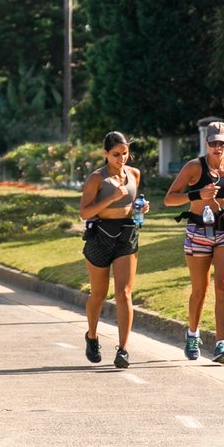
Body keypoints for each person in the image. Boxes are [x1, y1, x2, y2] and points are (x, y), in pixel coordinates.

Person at [163, 121, 224, 362]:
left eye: (222, 143)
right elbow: (169, 199)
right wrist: (197, 194)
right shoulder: (194, 167)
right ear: (206, 143)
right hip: (199, 230)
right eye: (213, 143)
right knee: (200, 290)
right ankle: (192, 334)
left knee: (223, 286)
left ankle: (222, 344)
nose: (217, 147)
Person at [80, 131, 146, 367]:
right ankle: (92, 336)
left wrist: (140, 208)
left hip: (126, 236)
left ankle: (123, 350)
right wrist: (111, 198)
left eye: (124, 153)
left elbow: (131, 205)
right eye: (116, 154)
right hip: (100, 237)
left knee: (124, 293)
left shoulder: (134, 174)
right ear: (105, 153)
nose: (121, 158)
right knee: (98, 294)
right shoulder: (97, 178)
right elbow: (84, 212)